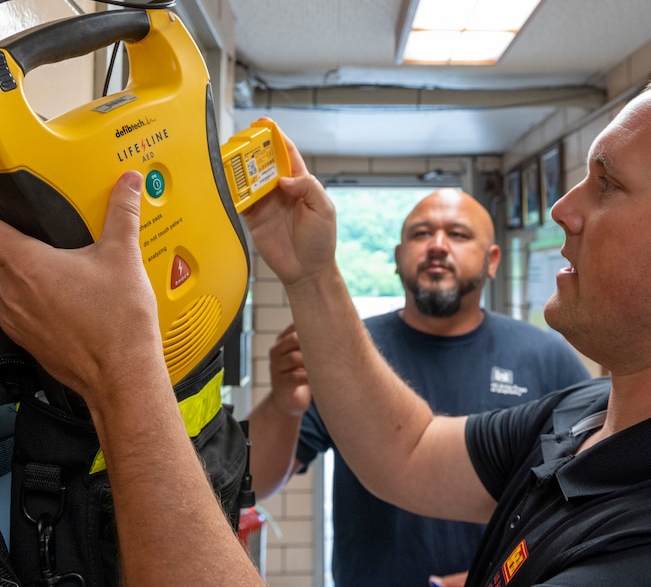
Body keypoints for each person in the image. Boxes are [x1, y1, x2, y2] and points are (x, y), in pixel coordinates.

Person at [0, 64, 651, 584]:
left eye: (609, 184)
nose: (564, 209)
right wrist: (313, 271)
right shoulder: (596, 418)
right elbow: (405, 448)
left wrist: (125, 368)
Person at [246, 189, 589, 586]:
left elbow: (586, 495)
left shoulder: (545, 357)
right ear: (396, 257)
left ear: (492, 260)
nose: (438, 246)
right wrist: (284, 404)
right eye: (422, 234)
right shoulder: (349, 353)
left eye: (458, 235)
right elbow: (255, 481)